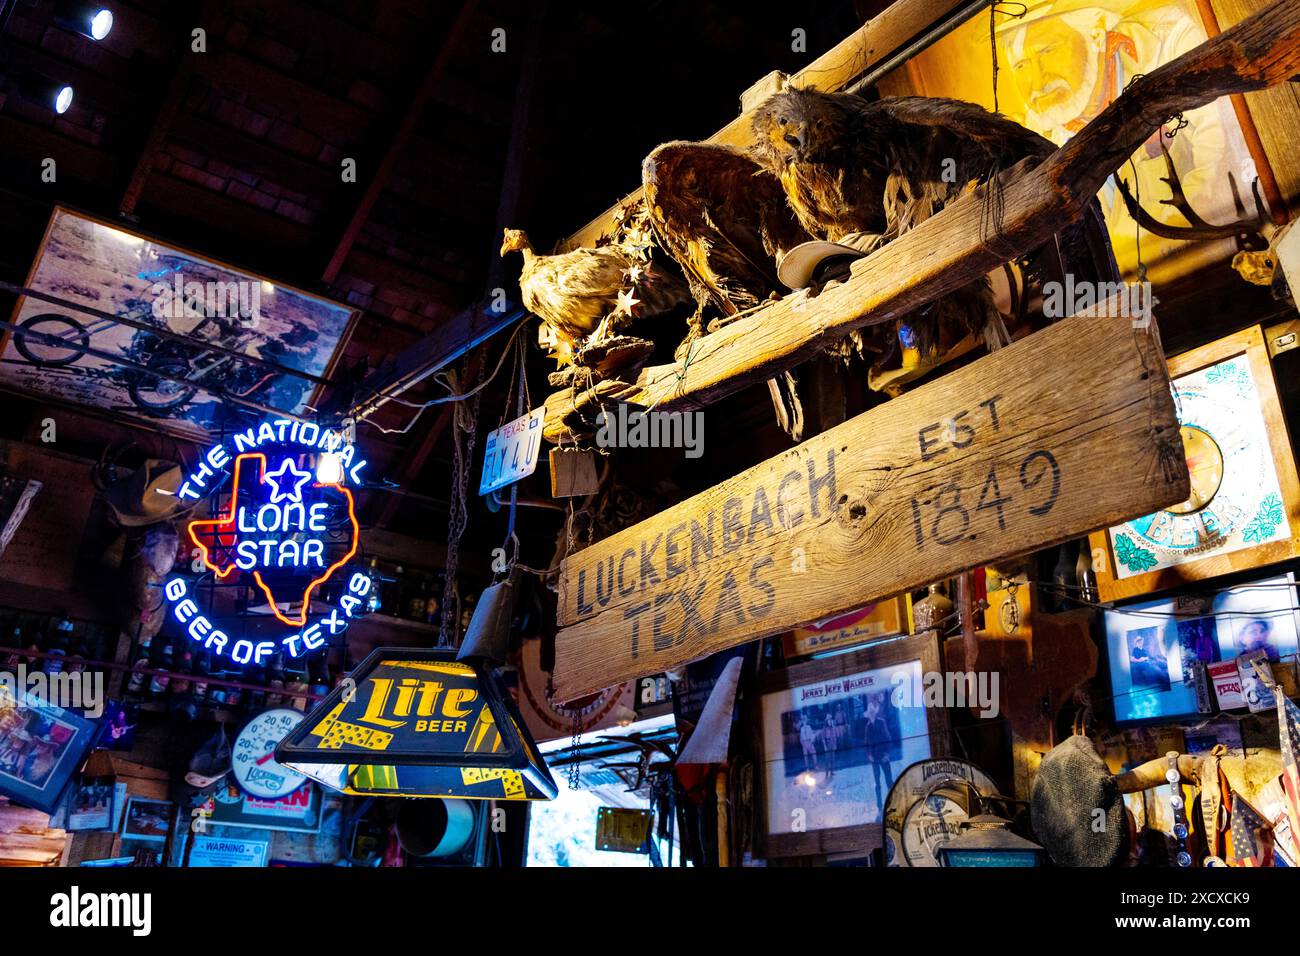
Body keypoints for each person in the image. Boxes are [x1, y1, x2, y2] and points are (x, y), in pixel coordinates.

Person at [862, 694, 895, 808]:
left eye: (872, 712)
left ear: (874, 713)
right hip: (874, 758)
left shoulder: (881, 722)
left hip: (883, 755)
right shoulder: (867, 727)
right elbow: (866, 744)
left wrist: (886, 754)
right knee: (877, 783)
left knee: (888, 780)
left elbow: (888, 739)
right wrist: (869, 755)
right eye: (869, 713)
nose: (871, 714)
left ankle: (893, 801)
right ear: (868, 715)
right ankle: (879, 804)